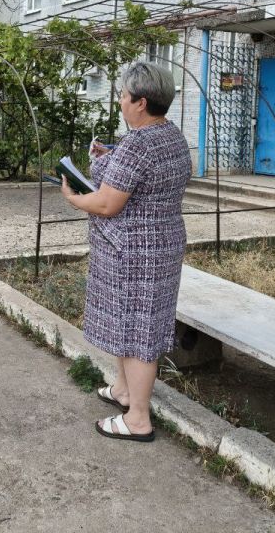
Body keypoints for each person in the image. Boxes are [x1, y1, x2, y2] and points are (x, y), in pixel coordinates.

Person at [60, 62, 191, 442]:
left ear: (140, 101)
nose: (119, 100)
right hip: (161, 245)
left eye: (122, 95)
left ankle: (138, 418)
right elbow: (143, 179)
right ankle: (123, 391)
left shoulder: (138, 144)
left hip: (133, 253)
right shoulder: (171, 136)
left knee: (138, 333)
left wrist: (73, 197)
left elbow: (106, 204)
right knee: (129, 324)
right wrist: (111, 156)